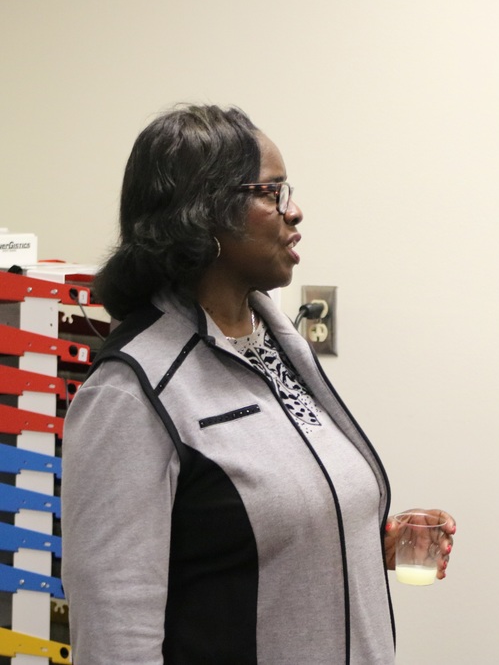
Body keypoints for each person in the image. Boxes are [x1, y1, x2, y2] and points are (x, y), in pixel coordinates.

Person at [61, 104, 456, 664]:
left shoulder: (279, 348)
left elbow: (244, 537)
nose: (294, 211)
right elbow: (114, 635)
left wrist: (358, 539)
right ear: (202, 211)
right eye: (271, 192)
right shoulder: (130, 392)